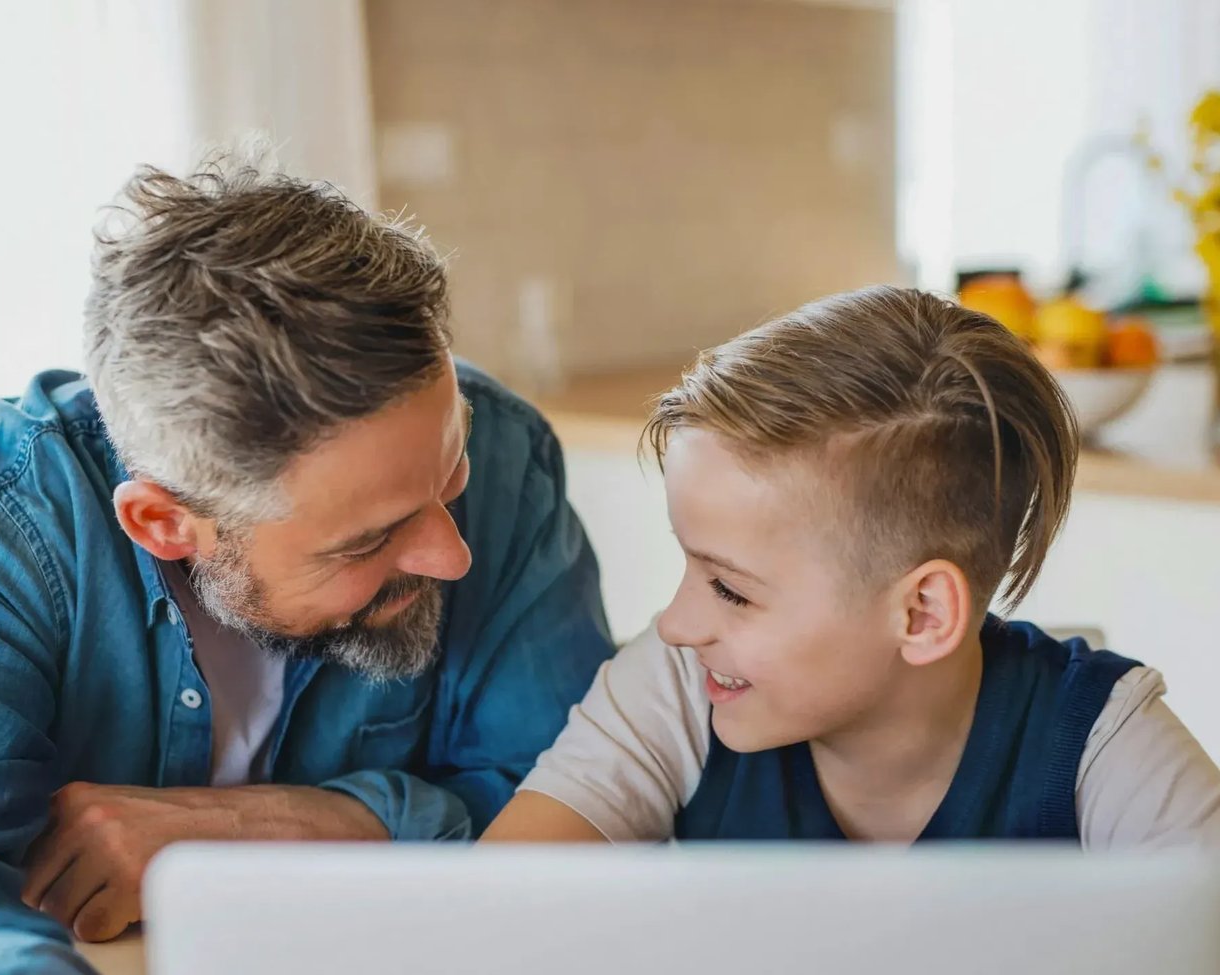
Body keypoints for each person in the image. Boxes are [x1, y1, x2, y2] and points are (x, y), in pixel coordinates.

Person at [0, 149, 613, 972]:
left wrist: (264, 827)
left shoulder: (506, 453)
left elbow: (583, 801)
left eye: (448, 475)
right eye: (370, 539)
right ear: (164, 523)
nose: (452, 556)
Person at [483, 285, 1220, 847]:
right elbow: (488, 923)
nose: (675, 623)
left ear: (923, 613)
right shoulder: (677, 691)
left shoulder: (1102, 744)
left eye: (731, 590)